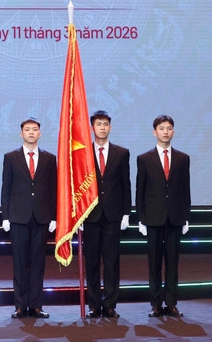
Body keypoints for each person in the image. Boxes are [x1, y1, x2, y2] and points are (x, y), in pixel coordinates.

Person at [1, 118, 57, 319]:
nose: (31, 132)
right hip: (18, 217)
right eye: (27, 129)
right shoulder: (11, 157)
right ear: (21, 133)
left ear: (40, 133)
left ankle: (36, 306)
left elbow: (53, 188)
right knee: (20, 263)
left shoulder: (49, 158)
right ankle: (20, 306)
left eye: (34, 129)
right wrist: (5, 216)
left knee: (38, 263)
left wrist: (54, 216)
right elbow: (6, 188)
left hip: (41, 218)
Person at [136, 115, 191, 318]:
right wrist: (140, 218)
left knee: (173, 263)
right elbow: (140, 190)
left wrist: (186, 216)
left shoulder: (183, 158)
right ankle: (156, 304)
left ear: (173, 132)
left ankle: (171, 303)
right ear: (154, 132)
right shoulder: (144, 159)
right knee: (154, 263)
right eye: (161, 128)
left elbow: (185, 189)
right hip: (153, 217)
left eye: (169, 128)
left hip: (175, 217)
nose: (165, 132)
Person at [82, 111, 131, 319]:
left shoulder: (121, 153)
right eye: (98, 124)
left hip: (113, 215)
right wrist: (79, 214)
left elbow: (125, 184)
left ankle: (110, 304)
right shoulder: (83, 153)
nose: (102, 128)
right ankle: (94, 305)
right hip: (90, 215)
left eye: (105, 124)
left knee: (111, 262)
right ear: (92, 128)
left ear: (110, 127)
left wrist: (126, 213)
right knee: (92, 262)